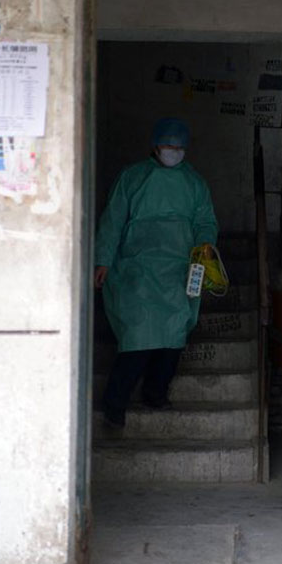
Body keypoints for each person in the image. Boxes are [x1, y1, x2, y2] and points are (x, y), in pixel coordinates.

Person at [94, 118, 218, 426]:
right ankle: (114, 407)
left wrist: (204, 249)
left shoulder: (194, 183)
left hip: (179, 268)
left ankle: (156, 394)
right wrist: (103, 260)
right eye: (168, 146)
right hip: (137, 268)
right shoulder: (133, 178)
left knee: (174, 336)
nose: (174, 152)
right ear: (155, 146)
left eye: (179, 147)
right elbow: (113, 221)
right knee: (137, 337)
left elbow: (206, 223)